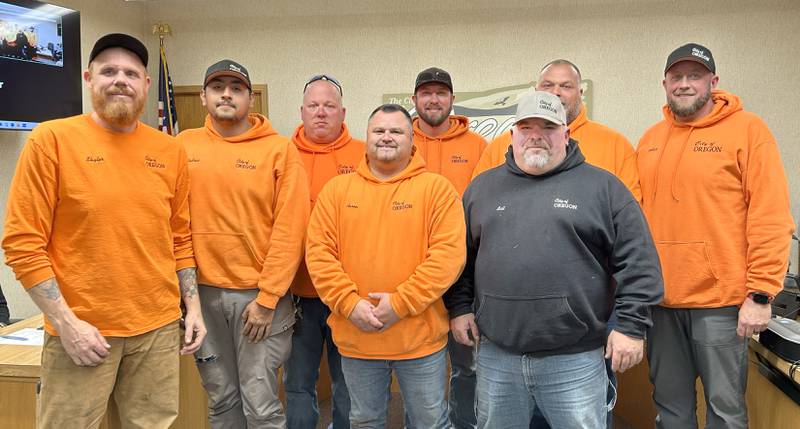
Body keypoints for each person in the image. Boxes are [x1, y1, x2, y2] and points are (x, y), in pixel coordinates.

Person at [1, 33, 206, 428]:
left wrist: (192, 307)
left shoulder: (170, 151)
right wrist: (66, 323)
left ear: (146, 84)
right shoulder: (52, 141)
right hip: (81, 333)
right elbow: (22, 243)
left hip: (157, 331)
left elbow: (179, 237)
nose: (120, 80)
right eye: (108, 71)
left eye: (131, 73)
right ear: (88, 78)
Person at [445, 91, 663, 428]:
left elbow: (640, 263)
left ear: (566, 133)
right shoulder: (481, 189)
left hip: (574, 360)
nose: (535, 135)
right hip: (497, 357)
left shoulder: (603, 188)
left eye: (547, 126)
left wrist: (631, 327)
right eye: (526, 126)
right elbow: (461, 259)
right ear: (513, 134)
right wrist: (460, 308)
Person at [638, 43, 795, 429]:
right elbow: (634, 220)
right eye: (677, 76)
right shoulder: (651, 138)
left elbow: (770, 215)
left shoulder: (748, 130)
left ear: (713, 81)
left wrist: (761, 293)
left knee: (725, 412)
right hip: (661, 303)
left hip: (721, 304)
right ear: (665, 83)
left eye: (695, 76)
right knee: (670, 410)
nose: (685, 84)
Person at [306, 104, 466, 429]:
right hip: (358, 337)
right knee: (365, 422)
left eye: (396, 131)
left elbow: (448, 257)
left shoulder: (436, 190)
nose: (387, 138)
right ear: (366, 137)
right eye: (379, 131)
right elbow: (319, 255)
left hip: (420, 340)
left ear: (411, 139)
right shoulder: (337, 191)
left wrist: (401, 303)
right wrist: (350, 304)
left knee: (431, 422)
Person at [176, 59, 309, 428]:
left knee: (261, 405)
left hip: (259, 300)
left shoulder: (279, 150)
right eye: (218, 87)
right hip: (202, 298)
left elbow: (291, 230)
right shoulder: (183, 146)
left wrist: (268, 301)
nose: (226, 95)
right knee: (221, 402)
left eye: (236, 89)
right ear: (203, 96)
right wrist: (187, 300)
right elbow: (175, 223)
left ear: (251, 99)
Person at [284, 74, 363, 429]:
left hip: (349, 294)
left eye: (329, 106)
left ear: (342, 112)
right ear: (301, 111)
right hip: (297, 293)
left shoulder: (364, 154)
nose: (321, 113)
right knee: (299, 382)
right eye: (313, 106)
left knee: (348, 381)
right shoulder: (281, 153)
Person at [411, 66, 486, 429]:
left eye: (441, 93)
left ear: (453, 100)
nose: (434, 99)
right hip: (410, 272)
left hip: (463, 274)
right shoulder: (399, 141)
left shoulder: (477, 147)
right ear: (414, 100)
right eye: (426, 93)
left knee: (467, 366)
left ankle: (465, 424)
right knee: (413, 366)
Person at [472, 60, 640, 202]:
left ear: (580, 93)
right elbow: (479, 202)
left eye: (566, 86)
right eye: (548, 85)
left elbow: (626, 215)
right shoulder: (499, 146)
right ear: (537, 91)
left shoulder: (615, 144)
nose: (555, 93)